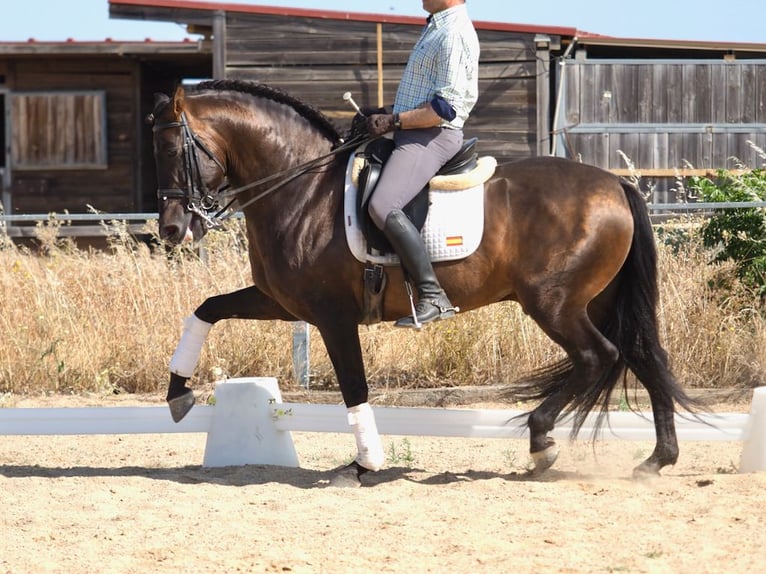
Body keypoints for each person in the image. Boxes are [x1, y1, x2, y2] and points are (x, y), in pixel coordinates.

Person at [365, 0, 480, 328]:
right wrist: (385, 114)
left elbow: (445, 108)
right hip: (413, 131)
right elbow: (422, 95)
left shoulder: (453, 33)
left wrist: (394, 122)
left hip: (432, 135)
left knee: (383, 205)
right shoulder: (437, 25)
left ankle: (433, 296)